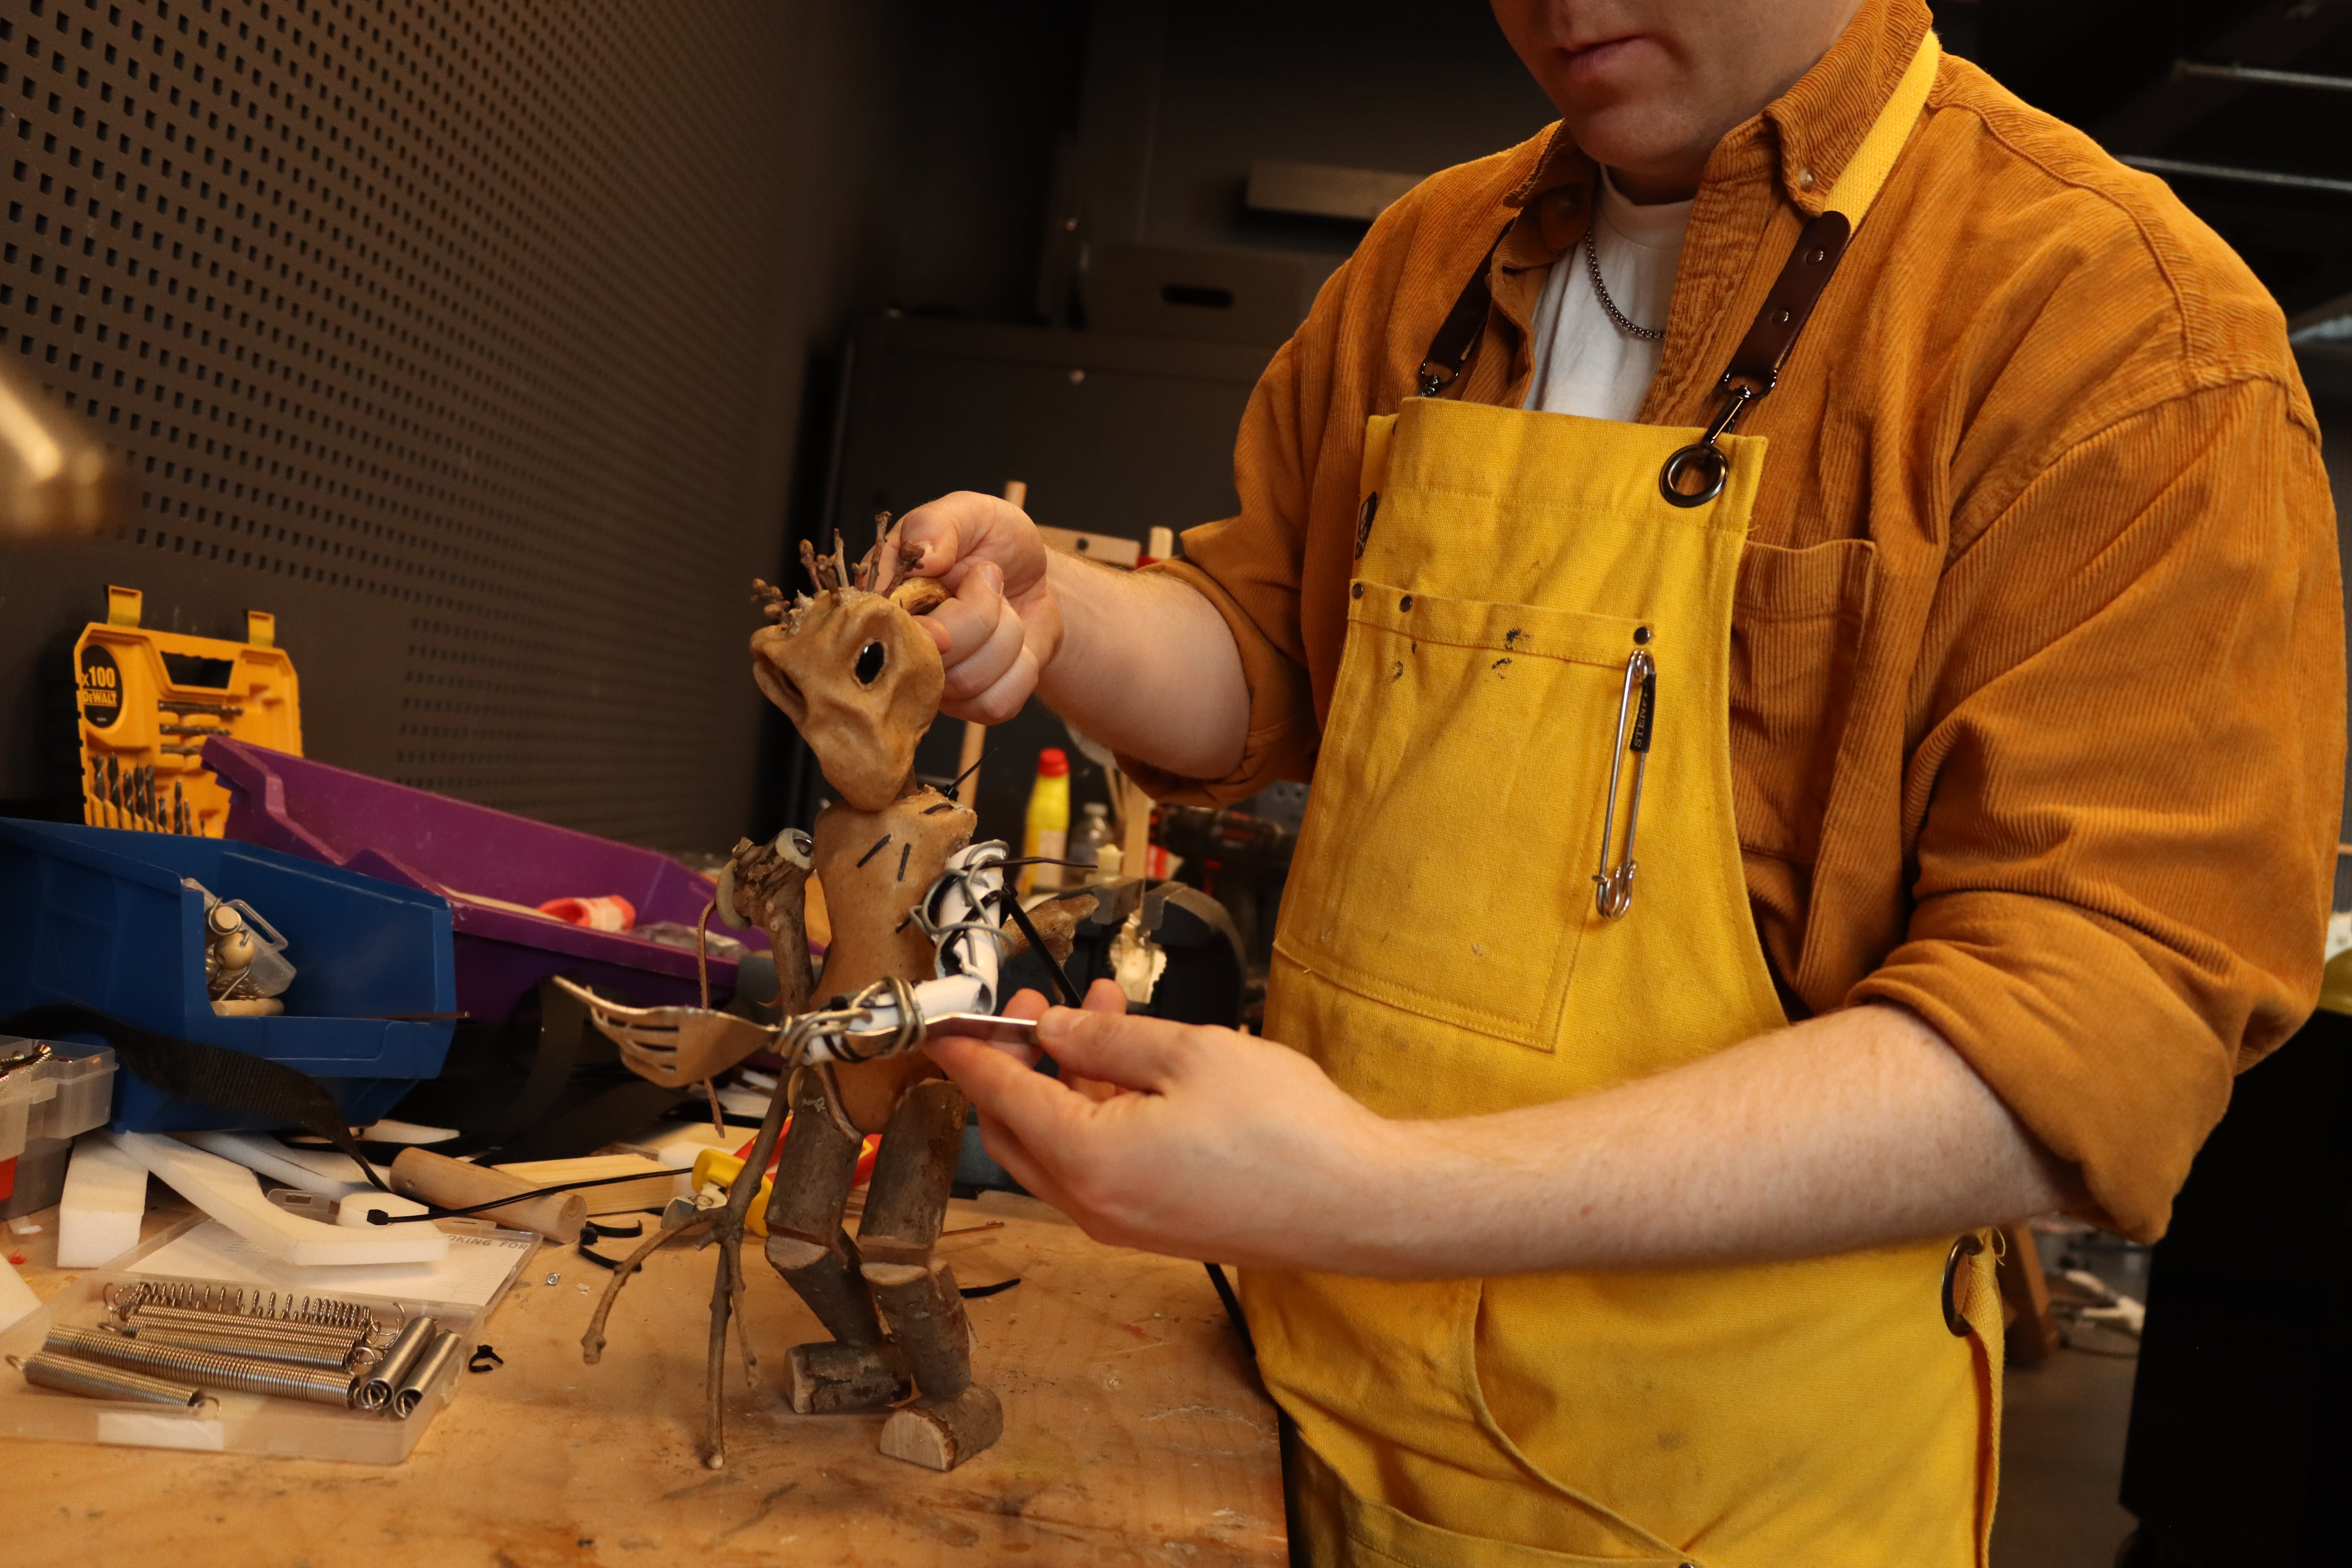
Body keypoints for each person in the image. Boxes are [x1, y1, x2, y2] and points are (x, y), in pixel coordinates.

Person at [897, 0, 2343, 1562]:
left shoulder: (2118, 331)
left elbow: (2083, 1030)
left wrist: (1382, 1190)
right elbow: (1274, 642)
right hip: (1294, 1407)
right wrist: (1065, 613)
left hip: (1714, 1494)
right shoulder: (1438, 251)